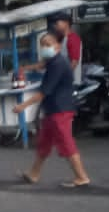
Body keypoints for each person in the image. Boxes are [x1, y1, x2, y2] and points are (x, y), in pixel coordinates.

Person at [15, 31, 92, 189]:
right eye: (42, 45)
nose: (44, 48)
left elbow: (43, 92)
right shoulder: (53, 61)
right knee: (44, 143)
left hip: (60, 110)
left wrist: (23, 106)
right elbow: (41, 64)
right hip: (52, 110)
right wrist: (24, 68)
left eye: (48, 45)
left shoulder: (58, 64)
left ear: (57, 46)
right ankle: (33, 174)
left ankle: (81, 177)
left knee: (66, 142)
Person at [53, 15, 83, 84]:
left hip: (71, 83)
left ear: (66, 23)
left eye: (57, 22)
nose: (56, 25)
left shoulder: (73, 39)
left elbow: (74, 62)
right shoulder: (63, 39)